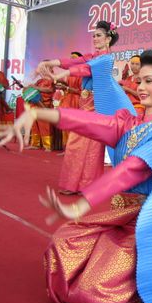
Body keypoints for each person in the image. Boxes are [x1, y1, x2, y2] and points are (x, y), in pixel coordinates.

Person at [0, 46, 152, 303]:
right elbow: (88, 121)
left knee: (92, 294)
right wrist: (38, 113)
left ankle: (140, 276)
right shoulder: (128, 122)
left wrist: (82, 204)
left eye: (149, 81)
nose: (140, 87)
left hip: (144, 227)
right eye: (139, 80)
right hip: (119, 215)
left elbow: (131, 169)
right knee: (63, 245)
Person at [37, 21, 131, 195]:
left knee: (84, 143)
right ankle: (81, 185)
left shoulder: (106, 59)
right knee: (87, 144)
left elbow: (84, 69)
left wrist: (61, 73)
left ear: (108, 39)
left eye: (99, 35)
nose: (95, 38)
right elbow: (74, 61)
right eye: (93, 36)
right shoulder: (92, 56)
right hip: (86, 103)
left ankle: (83, 185)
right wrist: (51, 62)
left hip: (98, 104)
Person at [55, 51, 83, 149]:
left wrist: (66, 88)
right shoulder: (69, 73)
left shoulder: (81, 73)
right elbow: (68, 86)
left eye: (74, 58)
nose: (71, 60)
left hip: (75, 101)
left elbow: (81, 91)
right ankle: (66, 147)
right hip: (67, 99)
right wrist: (61, 83)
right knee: (65, 123)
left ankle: (73, 148)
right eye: (71, 58)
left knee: (73, 125)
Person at [26, 73, 55, 151]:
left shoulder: (51, 79)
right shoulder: (39, 81)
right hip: (34, 104)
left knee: (44, 125)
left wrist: (35, 87)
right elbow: (33, 90)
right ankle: (35, 144)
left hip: (44, 104)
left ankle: (48, 145)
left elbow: (50, 90)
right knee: (34, 125)